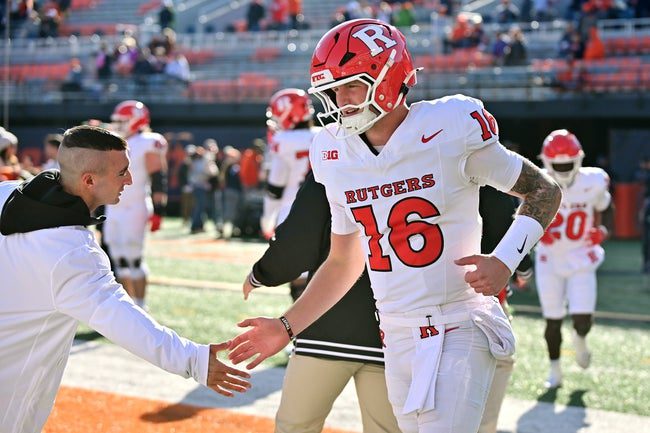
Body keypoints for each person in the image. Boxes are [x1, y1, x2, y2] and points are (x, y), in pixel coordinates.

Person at [228, 19, 562, 433]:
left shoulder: (449, 128)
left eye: (352, 85)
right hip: (396, 331)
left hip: (459, 320)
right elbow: (342, 262)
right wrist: (286, 326)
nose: (341, 100)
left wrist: (506, 260)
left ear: (389, 77)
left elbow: (544, 190)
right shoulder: (333, 151)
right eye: (333, 89)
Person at [0, 125, 250, 433]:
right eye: (122, 173)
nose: (130, 180)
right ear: (89, 180)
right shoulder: (71, 254)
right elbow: (124, 320)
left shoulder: (6, 196)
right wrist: (193, 359)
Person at [244, 172, 400, 433]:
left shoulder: (334, 156)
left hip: (328, 320)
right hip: (397, 323)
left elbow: (299, 240)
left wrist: (262, 273)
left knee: (295, 427)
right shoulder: (428, 151)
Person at [535, 129, 612, 389]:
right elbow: (523, 216)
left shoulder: (594, 181)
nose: (564, 169)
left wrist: (601, 230)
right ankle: (554, 369)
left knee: (582, 319)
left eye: (568, 163)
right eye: (559, 164)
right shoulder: (538, 182)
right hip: (550, 259)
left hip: (581, 257)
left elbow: (604, 207)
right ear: (547, 163)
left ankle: (580, 338)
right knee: (552, 319)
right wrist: (537, 233)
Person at [477, 185, 533, 433]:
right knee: (499, 359)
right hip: (479, 295)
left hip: (415, 295)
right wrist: (523, 266)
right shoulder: (482, 175)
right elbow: (505, 224)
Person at [103, 100, 168, 310]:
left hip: (135, 206)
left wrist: (159, 211)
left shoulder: (147, 141)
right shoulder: (117, 141)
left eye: (123, 121)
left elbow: (158, 177)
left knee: (134, 259)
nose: (118, 125)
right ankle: (129, 306)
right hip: (114, 207)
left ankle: (141, 305)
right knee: (118, 260)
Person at [260, 88, 320, 300]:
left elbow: (275, 188)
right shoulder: (327, 134)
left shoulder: (282, 141)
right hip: (327, 212)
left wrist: (267, 220)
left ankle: (303, 330)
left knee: (300, 277)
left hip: (292, 212)